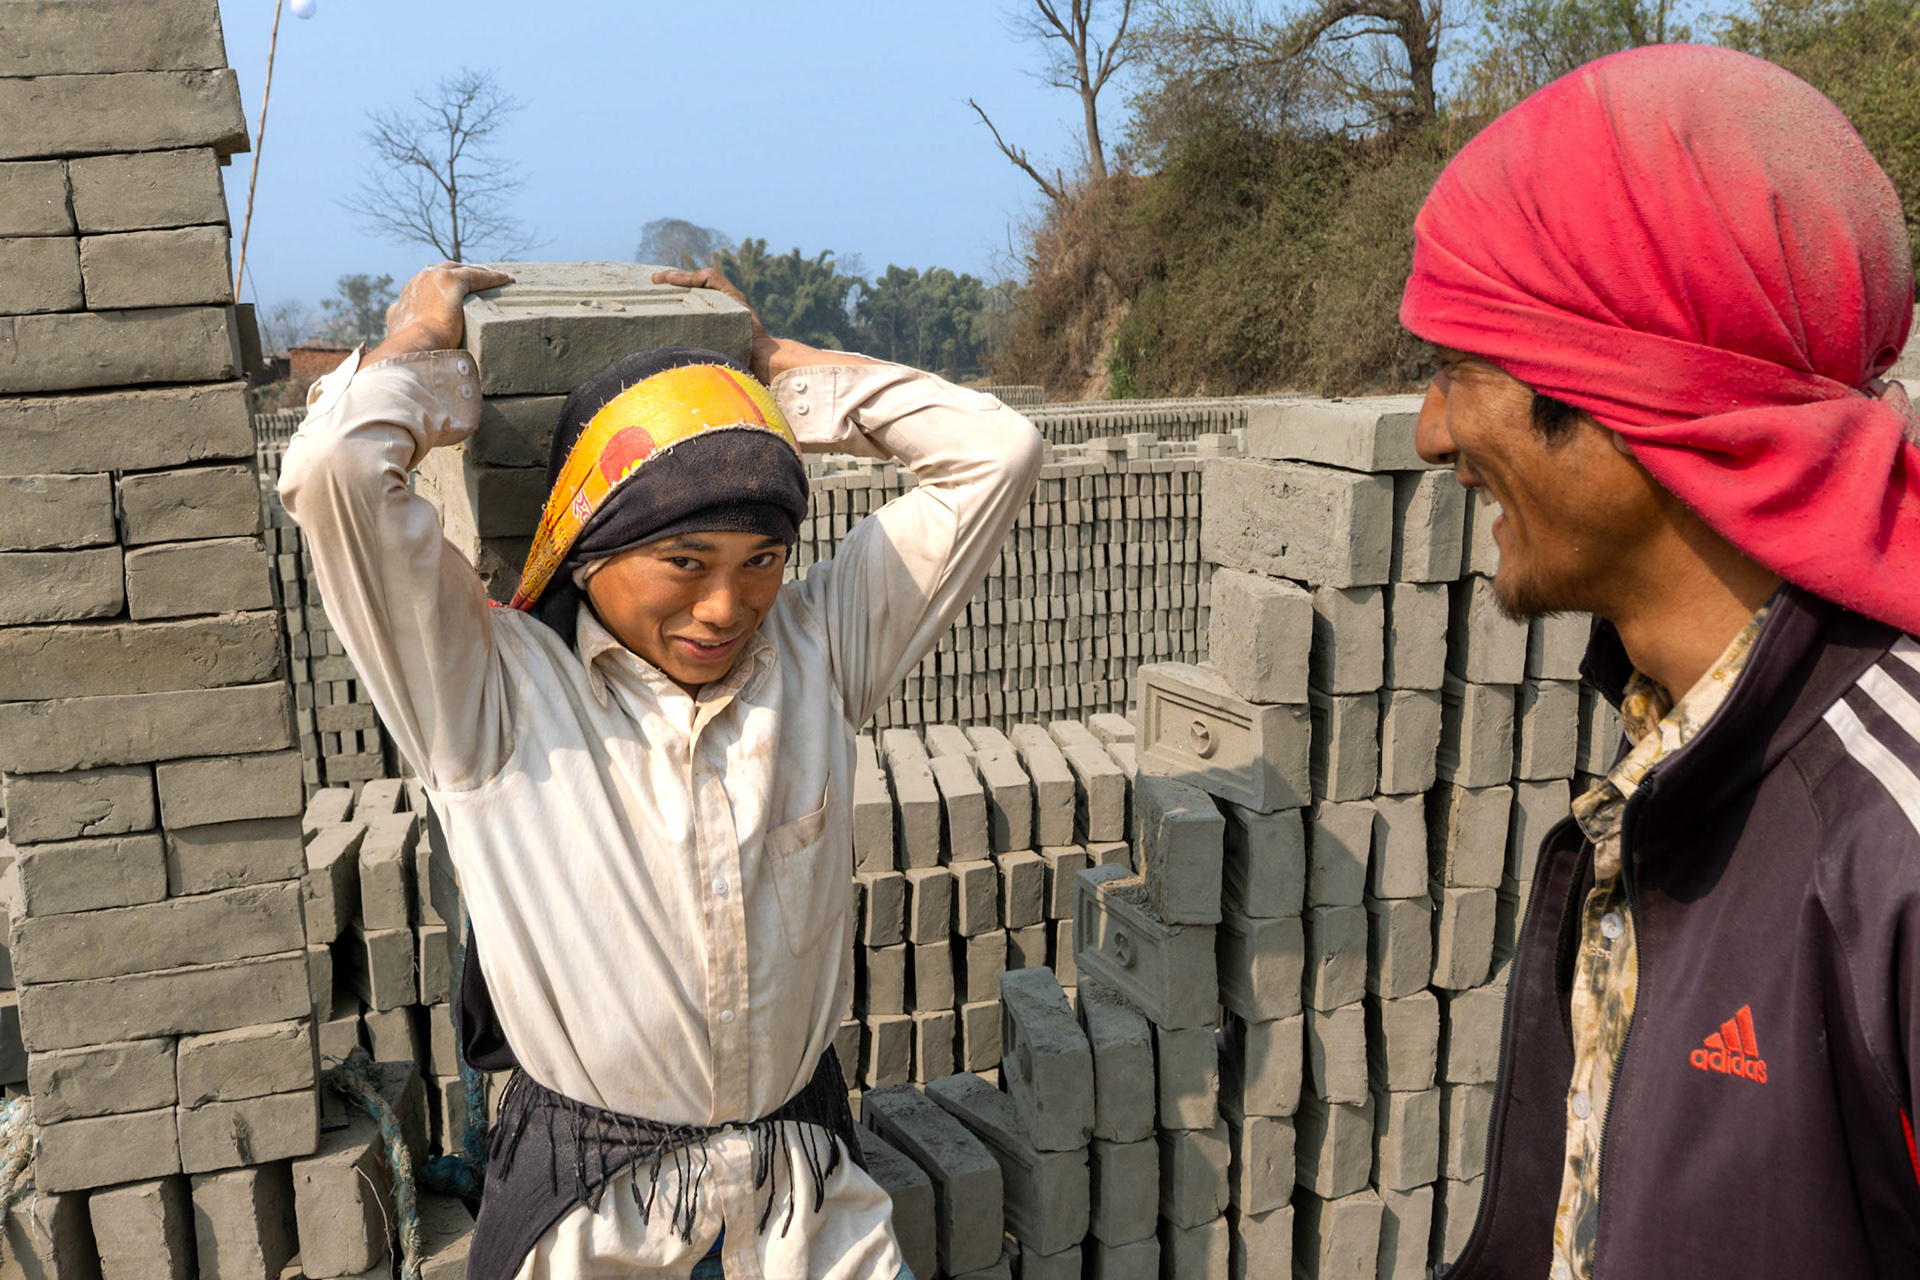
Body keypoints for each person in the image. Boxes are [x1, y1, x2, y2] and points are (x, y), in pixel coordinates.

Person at [278, 262, 1043, 1279]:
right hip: (597, 1225)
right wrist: (426, 348)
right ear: (592, 550)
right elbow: (335, 464)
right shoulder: (489, 696)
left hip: (810, 1217)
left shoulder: (817, 655)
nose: (727, 606)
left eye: (760, 560)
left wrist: (776, 371)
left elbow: (1000, 450)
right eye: (686, 561)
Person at [1398, 44, 1920, 1278]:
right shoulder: (1679, 749)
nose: (1431, 432)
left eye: (1461, 366)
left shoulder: (1891, 851)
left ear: (1631, 392)